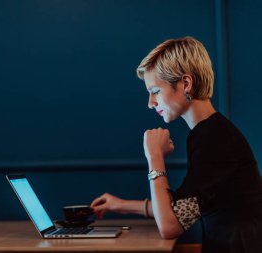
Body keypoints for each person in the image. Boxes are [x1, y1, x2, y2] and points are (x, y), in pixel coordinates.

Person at [90, 36, 262, 253]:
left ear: (186, 84)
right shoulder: (212, 132)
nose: (151, 104)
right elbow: (181, 209)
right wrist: (120, 205)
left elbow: (170, 226)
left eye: (155, 92)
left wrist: (154, 157)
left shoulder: (213, 138)